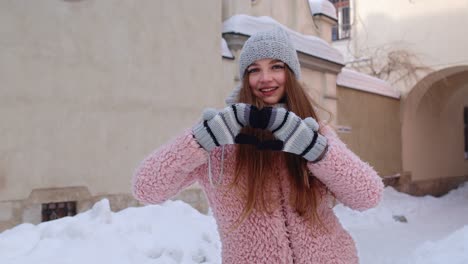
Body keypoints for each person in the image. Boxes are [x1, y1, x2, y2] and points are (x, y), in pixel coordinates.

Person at [132, 27, 383, 264]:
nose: (265, 78)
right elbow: (147, 188)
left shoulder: (312, 131)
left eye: (276, 66)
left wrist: (316, 151)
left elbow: (368, 196)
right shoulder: (221, 140)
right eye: (254, 69)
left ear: (291, 74)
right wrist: (198, 141)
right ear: (245, 78)